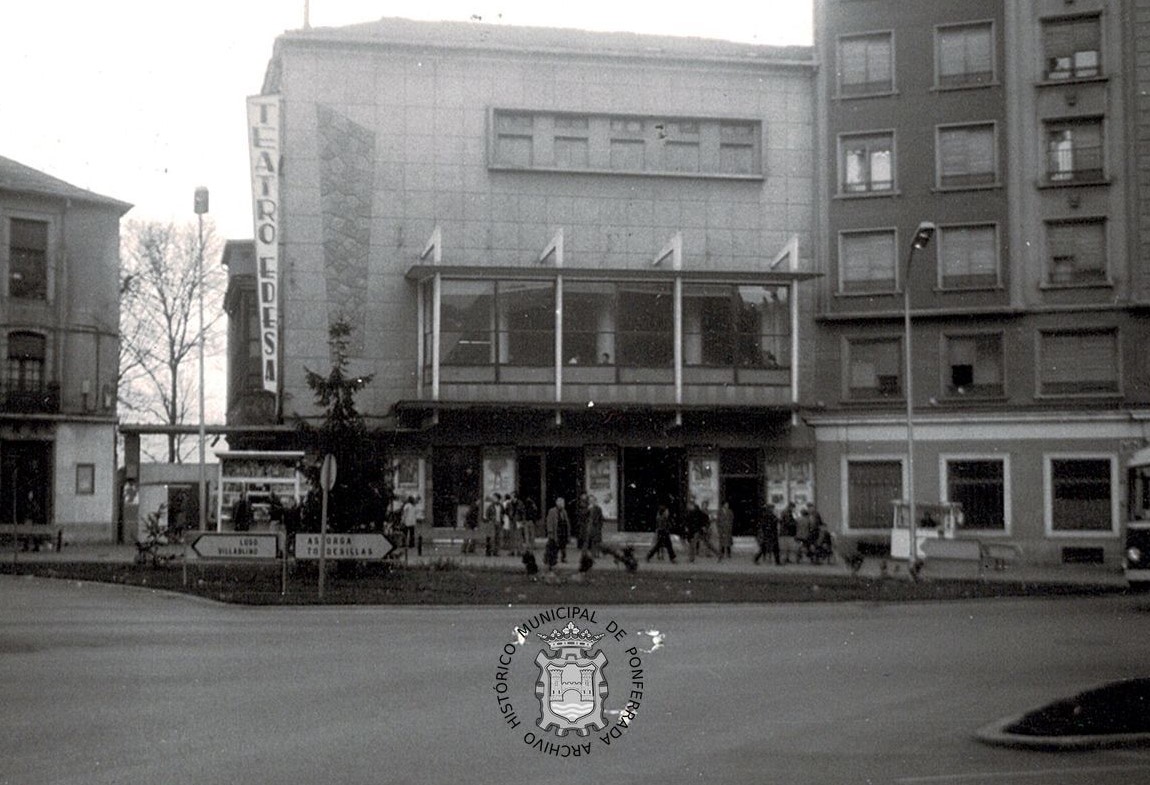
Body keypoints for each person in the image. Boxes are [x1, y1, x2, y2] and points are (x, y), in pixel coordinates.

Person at [545, 497, 570, 564]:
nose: (562, 504)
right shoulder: (552, 511)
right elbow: (549, 522)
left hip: (563, 531)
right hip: (556, 531)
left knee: (563, 546)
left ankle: (563, 558)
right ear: (557, 503)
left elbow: (566, 521)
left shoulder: (564, 511)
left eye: (563, 503)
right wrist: (550, 531)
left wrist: (568, 531)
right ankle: (551, 559)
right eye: (561, 503)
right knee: (554, 546)